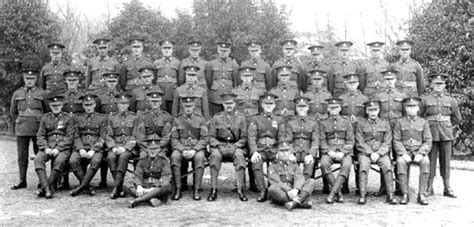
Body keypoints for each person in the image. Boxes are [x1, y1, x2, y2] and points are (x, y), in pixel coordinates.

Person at [420, 74, 461, 198]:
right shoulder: (425, 99)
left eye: (441, 84)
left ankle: (447, 187)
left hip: (446, 134)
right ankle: (429, 187)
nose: (438, 86)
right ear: (432, 85)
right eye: (436, 84)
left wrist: (447, 125)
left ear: (445, 85)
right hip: (431, 134)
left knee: (446, 162)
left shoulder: (451, 100)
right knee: (430, 162)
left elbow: (457, 118)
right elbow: (420, 117)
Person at [10, 67, 47, 190]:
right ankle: (22, 180)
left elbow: (46, 111)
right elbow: (13, 112)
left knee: (40, 155)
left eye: (32, 78)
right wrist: (19, 120)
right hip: (22, 128)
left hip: (37, 127)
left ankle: (41, 181)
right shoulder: (17, 93)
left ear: (36, 79)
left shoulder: (42, 93)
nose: (29, 81)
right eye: (27, 78)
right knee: (22, 156)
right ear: (24, 79)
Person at [207, 91, 248, 201]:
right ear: (222, 104)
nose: (229, 106)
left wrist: (237, 145)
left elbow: (244, 137)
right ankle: (213, 189)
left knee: (240, 157)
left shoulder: (241, 118)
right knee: (214, 157)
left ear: (235, 104)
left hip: (236, 146)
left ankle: (240, 190)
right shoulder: (216, 118)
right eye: (226, 104)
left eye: (231, 103)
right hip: (220, 145)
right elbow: (210, 136)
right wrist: (218, 145)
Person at [372, 69, 407, 196]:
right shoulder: (378, 96)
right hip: (383, 130)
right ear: (383, 81)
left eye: (391, 79)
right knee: (383, 157)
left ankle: (400, 186)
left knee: (399, 157)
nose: (389, 82)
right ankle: (384, 187)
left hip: (397, 129)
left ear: (396, 80)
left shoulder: (402, 96)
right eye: (387, 80)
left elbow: (404, 114)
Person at [355, 100, 398, 205]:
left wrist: (379, 153)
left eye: (375, 110)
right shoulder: (361, 124)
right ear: (366, 111)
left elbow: (387, 141)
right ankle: (362, 195)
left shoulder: (385, 123)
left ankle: (390, 195)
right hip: (365, 153)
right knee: (363, 167)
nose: (373, 112)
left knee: (387, 166)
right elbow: (359, 142)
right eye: (370, 110)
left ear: (379, 110)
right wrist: (370, 153)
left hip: (381, 153)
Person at [34, 94, 75, 198]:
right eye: (53, 105)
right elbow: (40, 135)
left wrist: (58, 149)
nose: (56, 107)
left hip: (62, 149)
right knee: (38, 159)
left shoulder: (68, 118)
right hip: (48, 146)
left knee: (59, 161)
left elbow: (69, 137)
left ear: (62, 106)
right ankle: (47, 187)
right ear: (50, 106)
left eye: (58, 105)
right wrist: (45, 148)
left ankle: (44, 188)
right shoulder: (45, 118)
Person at [393, 97, 432, 205]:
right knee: (400, 162)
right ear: (405, 109)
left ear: (418, 108)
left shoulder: (424, 122)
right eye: (409, 107)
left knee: (426, 162)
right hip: (405, 151)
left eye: (414, 106)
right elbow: (396, 140)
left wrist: (421, 153)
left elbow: (428, 140)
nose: (411, 109)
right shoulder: (399, 122)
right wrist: (403, 153)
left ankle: (422, 194)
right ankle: (405, 193)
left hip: (418, 151)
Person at [248, 93, 285, 202]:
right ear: (262, 105)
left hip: (274, 149)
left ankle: (274, 190)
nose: (268, 106)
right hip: (260, 148)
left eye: (271, 104)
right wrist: (254, 151)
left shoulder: (279, 120)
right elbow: (251, 136)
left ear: (274, 105)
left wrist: (280, 151)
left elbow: (281, 137)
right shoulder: (255, 119)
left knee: (279, 163)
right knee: (256, 162)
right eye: (266, 103)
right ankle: (262, 190)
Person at [69, 94, 108, 196]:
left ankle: (81, 187)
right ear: (83, 106)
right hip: (81, 146)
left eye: (91, 105)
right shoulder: (77, 118)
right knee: (73, 161)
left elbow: (103, 137)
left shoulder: (102, 118)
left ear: (95, 105)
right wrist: (80, 148)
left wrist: (94, 149)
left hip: (95, 148)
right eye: (86, 105)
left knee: (96, 161)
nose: (89, 107)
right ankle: (87, 186)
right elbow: (75, 135)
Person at [170, 96, 208, 201]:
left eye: (190, 106)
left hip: (196, 148)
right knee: (174, 157)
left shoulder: (200, 119)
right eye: (186, 106)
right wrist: (182, 150)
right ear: (182, 106)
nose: (188, 108)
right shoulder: (177, 119)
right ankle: (178, 188)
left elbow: (204, 138)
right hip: (181, 147)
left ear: (194, 106)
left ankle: (197, 189)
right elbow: (174, 139)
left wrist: (194, 150)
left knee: (200, 158)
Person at [319, 98, 354, 204]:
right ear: (328, 109)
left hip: (344, 151)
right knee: (324, 163)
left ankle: (332, 193)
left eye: (336, 108)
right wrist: (329, 152)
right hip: (329, 151)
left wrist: (343, 152)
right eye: (331, 108)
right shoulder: (323, 123)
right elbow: (322, 140)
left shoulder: (346, 122)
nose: (333, 110)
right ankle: (338, 193)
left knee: (347, 165)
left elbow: (350, 141)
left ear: (340, 108)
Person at [105, 93, 139, 199]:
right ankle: (118, 186)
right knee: (110, 157)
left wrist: (125, 148)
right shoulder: (111, 118)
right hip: (116, 146)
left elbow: (135, 135)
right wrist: (114, 147)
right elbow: (108, 135)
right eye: (121, 104)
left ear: (128, 105)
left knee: (124, 156)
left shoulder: (135, 117)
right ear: (117, 105)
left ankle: (116, 188)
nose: (123, 106)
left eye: (125, 104)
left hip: (128, 147)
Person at [268, 140, 317, 211]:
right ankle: (299, 201)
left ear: (290, 152)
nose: (284, 153)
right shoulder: (273, 165)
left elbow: (299, 178)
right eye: (282, 151)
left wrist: (296, 189)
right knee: (272, 189)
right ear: (277, 152)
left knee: (311, 181)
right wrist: (288, 191)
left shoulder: (294, 164)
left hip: (294, 190)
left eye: (286, 150)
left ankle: (293, 203)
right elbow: (276, 182)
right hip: (283, 192)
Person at [126, 134, 172, 208]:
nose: (152, 151)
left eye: (155, 149)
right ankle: (151, 198)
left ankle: (138, 200)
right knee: (127, 184)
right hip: (145, 185)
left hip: (157, 187)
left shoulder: (164, 161)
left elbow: (166, 177)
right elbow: (138, 175)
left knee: (166, 185)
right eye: (150, 149)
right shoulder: (142, 160)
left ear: (159, 149)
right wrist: (139, 186)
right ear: (147, 150)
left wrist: (152, 189)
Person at [279, 96, 319, 180]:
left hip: (307, 151)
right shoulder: (291, 123)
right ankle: (294, 184)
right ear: (296, 108)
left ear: (308, 107)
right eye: (299, 107)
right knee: (290, 166)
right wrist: (290, 153)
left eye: (304, 106)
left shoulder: (313, 123)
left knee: (310, 163)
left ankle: (306, 186)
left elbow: (315, 140)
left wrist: (311, 154)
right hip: (295, 151)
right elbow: (288, 140)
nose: (302, 109)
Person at [135, 90, 173, 159]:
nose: (155, 103)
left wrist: (157, 147)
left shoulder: (167, 117)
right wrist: (149, 147)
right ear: (149, 102)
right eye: (153, 101)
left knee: (161, 157)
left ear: (161, 102)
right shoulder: (143, 117)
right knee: (143, 157)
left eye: (157, 101)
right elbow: (140, 136)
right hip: (146, 148)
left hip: (161, 148)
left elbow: (166, 137)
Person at [205, 40, 239, 115]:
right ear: (218, 50)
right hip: (215, 96)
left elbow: (236, 81)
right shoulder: (211, 64)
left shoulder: (234, 65)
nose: (223, 52)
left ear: (229, 51)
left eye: (225, 51)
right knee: (216, 116)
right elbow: (208, 81)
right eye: (221, 50)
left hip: (229, 95)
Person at [153, 40, 181, 114]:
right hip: (160, 93)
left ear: (172, 50)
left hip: (173, 93)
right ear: (161, 49)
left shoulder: (177, 63)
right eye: (164, 48)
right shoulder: (156, 63)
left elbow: (180, 80)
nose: (166, 50)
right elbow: (153, 79)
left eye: (169, 48)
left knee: (173, 113)